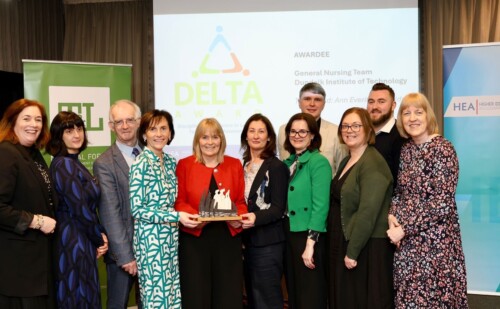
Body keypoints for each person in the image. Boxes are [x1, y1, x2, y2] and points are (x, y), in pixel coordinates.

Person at [387, 92, 468, 308]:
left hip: (436, 246)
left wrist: (404, 229)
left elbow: (442, 203)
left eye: (418, 112)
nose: (412, 118)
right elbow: (400, 192)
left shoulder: (443, 149)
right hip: (407, 247)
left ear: (427, 116)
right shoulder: (406, 150)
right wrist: (392, 216)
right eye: (406, 113)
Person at [175, 118, 248, 309]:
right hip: (194, 241)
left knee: (228, 295)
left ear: (221, 139)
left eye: (215, 137)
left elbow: (240, 202)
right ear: (197, 141)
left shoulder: (234, 164)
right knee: (196, 295)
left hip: (227, 240)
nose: (210, 142)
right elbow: (179, 201)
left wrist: (238, 219)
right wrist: (196, 218)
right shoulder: (184, 165)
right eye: (205, 137)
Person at [129, 110, 199, 308]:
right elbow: (137, 209)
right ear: (144, 134)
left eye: (163, 128)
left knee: (172, 294)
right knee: (156, 299)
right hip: (150, 241)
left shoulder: (170, 162)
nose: (158, 134)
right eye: (152, 129)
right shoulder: (140, 164)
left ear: (170, 133)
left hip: (171, 237)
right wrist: (176, 215)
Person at [327, 107, 394, 308]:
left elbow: (368, 212)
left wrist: (353, 251)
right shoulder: (348, 159)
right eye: (346, 126)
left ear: (368, 129)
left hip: (366, 246)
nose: (350, 130)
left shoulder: (372, 162)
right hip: (347, 238)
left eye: (356, 125)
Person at [46, 111, 108, 308]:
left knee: (85, 296)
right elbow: (80, 207)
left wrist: (98, 235)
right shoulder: (63, 164)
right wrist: (99, 237)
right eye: (69, 130)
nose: (76, 134)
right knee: (77, 296)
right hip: (73, 240)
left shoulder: (74, 162)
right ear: (58, 136)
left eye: (79, 129)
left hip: (81, 237)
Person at [0, 99, 57, 308]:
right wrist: (37, 221)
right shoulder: (6, 153)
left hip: (38, 262)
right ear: (12, 122)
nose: (33, 124)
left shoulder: (33, 154)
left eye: (38, 119)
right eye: (26, 118)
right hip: (19, 268)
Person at [93, 99, 142, 309]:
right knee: (117, 305)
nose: (125, 126)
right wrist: (125, 256)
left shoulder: (153, 155)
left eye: (129, 120)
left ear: (138, 122)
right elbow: (110, 213)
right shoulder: (104, 163)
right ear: (111, 126)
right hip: (123, 256)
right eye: (118, 121)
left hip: (153, 251)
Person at [239, 114, 289, 309]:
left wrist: (255, 218)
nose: (256, 135)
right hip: (247, 243)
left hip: (268, 244)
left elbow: (278, 209)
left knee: (267, 298)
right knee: (252, 297)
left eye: (261, 131)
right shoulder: (242, 165)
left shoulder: (276, 167)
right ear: (246, 136)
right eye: (252, 131)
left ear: (269, 137)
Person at [283, 113, 331, 309]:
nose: (297, 135)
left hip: (310, 236)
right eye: (293, 131)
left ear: (312, 135)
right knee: (294, 292)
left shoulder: (318, 162)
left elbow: (321, 206)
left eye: (303, 131)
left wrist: (310, 243)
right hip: (290, 232)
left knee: (310, 295)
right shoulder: (288, 163)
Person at [278, 82, 346, 176]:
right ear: (299, 103)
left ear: (324, 104)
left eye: (317, 99)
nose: (312, 104)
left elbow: (342, 170)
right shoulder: (283, 130)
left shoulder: (336, 132)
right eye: (307, 99)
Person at [366, 83, 406, 187]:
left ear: (393, 105)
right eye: (371, 102)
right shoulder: (362, 135)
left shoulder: (402, 137)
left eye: (381, 101)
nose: (374, 106)